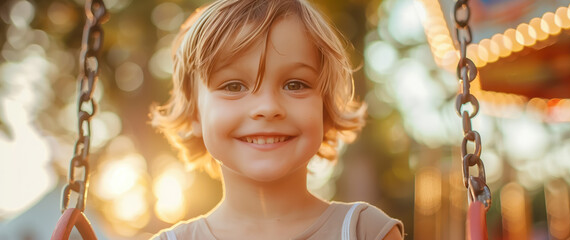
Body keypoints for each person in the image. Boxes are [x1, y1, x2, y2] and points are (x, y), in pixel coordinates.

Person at [150, 0, 404, 239]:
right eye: (234, 86)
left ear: (324, 108)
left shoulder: (365, 232)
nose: (268, 107)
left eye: (294, 84)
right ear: (195, 111)